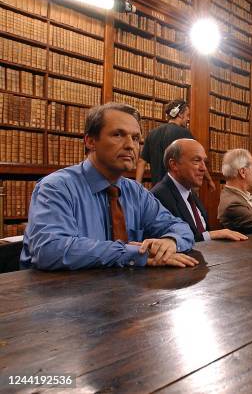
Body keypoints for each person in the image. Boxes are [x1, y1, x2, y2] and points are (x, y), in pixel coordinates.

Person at [20, 102, 198, 270]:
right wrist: (131, 253)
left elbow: (181, 228)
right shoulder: (56, 188)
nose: (130, 146)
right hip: (57, 296)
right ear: (90, 141)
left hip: (123, 294)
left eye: (136, 138)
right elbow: (50, 250)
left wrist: (170, 241)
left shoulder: (136, 192)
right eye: (118, 135)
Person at [151, 139, 247, 242]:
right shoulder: (158, 197)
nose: (204, 168)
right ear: (174, 165)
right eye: (196, 161)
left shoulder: (190, 192)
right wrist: (212, 234)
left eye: (204, 162)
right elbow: (172, 242)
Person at [136, 99, 215, 190]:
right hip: (178, 190)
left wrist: (137, 186)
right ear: (180, 114)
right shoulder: (185, 134)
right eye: (187, 115)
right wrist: (209, 180)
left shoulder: (152, 133)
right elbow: (197, 159)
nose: (188, 119)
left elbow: (141, 162)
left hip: (157, 190)